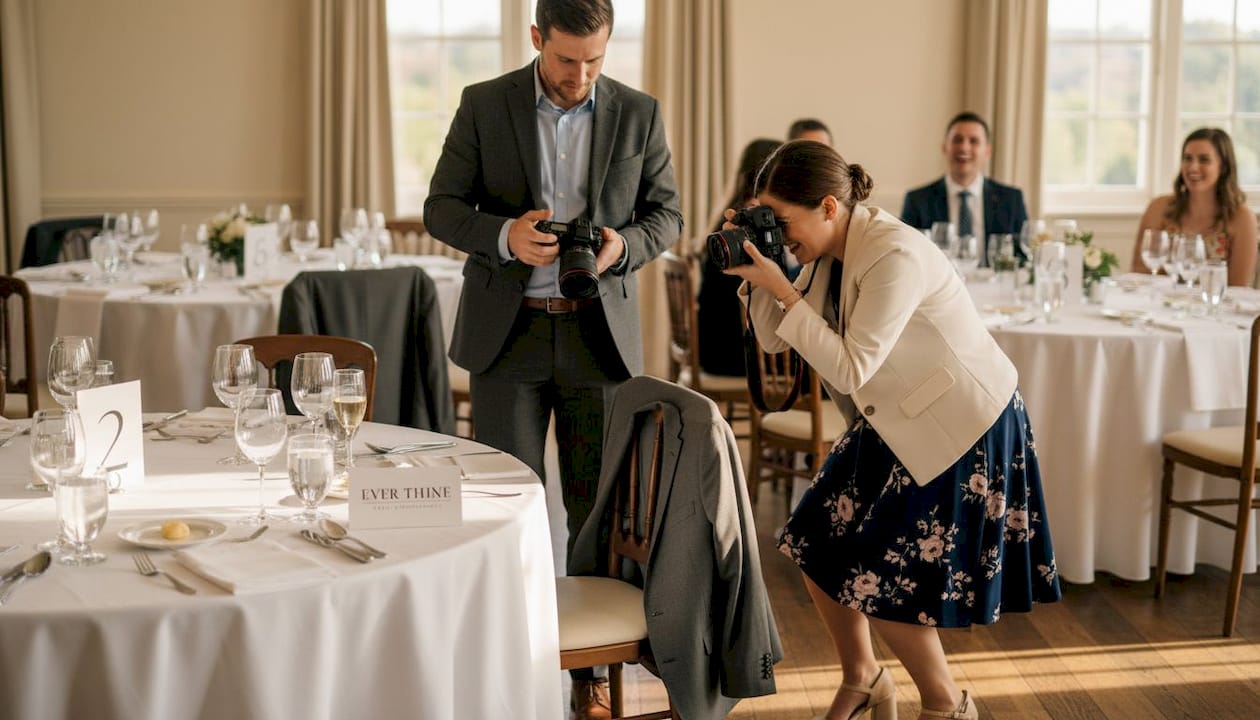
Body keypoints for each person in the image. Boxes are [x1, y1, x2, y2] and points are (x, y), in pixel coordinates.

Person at [726, 140, 1060, 720]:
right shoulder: (826, 250)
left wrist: (782, 286)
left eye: (782, 222)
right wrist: (761, 275)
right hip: (891, 419)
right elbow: (775, 339)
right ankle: (865, 680)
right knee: (813, 543)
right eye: (767, 220)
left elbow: (853, 365)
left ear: (829, 206)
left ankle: (947, 704)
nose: (779, 234)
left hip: (958, 425)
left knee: (881, 581)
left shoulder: (893, 252)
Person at [423, 1, 682, 717]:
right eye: (567, 59)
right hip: (509, 338)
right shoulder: (484, 103)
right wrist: (504, 234)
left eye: (595, 59)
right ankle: (505, 659)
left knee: (593, 509)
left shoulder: (639, 112)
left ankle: (586, 680)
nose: (581, 75)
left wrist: (621, 247)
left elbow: (669, 214)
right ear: (536, 38)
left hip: (600, 339)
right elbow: (440, 206)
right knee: (507, 506)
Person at [1129, 127, 1257, 286]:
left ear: (1223, 167)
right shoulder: (1159, 207)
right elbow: (1139, 274)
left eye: (1204, 159)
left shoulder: (1242, 218)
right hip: (1162, 307)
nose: (1193, 167)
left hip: (1215, 308)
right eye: (1187, 158)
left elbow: (1238, 287)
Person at [697, 138, 782, 376]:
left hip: (713, 349)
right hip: (734, 355)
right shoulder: (757, 221)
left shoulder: (737, 215)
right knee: (825, 373)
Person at [901, 111, 1029, 265]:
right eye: (957, 140)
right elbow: (908, 258)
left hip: (996, 287)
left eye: (974, 141)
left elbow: (1023, 258)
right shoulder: (917, 200)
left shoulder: (1012, 199)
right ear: (944, 147)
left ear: (987, 151)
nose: (964, 147)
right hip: (940, 288)